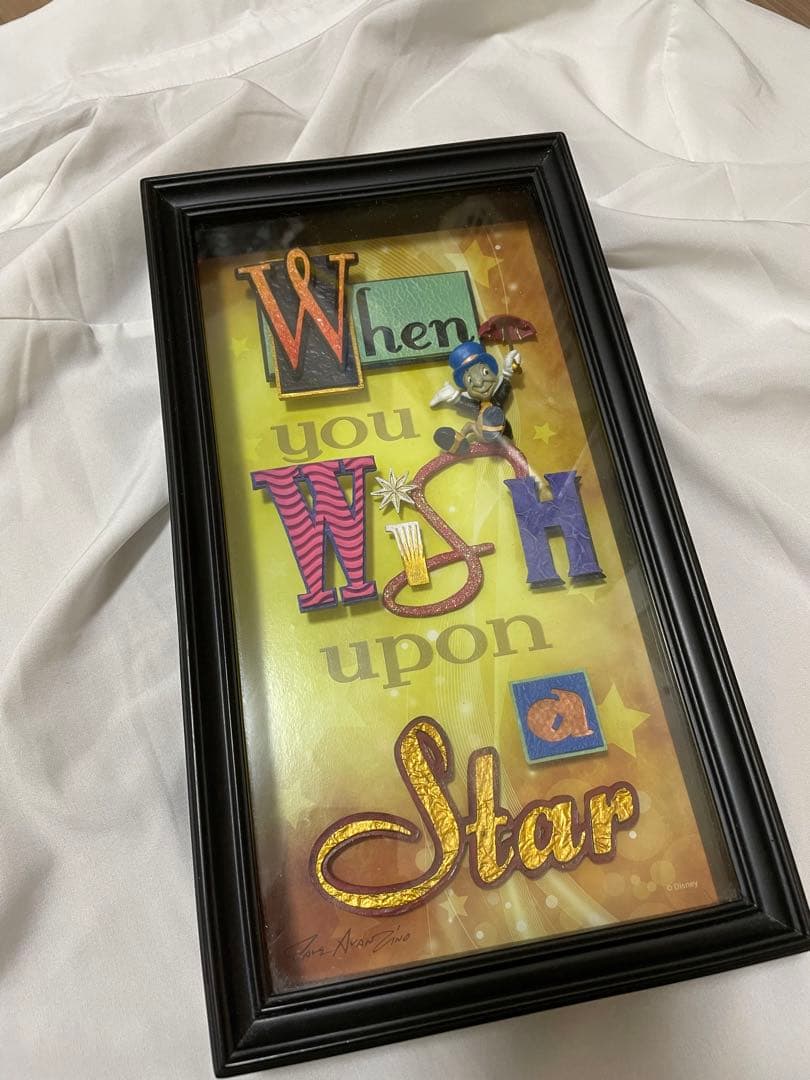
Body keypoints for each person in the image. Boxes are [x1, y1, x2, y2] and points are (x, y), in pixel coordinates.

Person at [429, 340, 521, 455]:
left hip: (500, 432)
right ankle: (458, 444)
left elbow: (503, 391)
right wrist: (453, 396)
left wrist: (508, 372)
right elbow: (468, 406)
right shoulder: (477, 406)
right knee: (470, 426)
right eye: (470, 380)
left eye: (485, 372)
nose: (479, 383)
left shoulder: (495, 403)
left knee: (493, 416)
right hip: (478, 430)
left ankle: (504, 444)